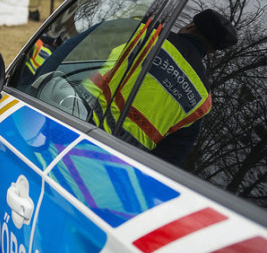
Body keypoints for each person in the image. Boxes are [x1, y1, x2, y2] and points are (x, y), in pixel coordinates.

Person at [81, 10, 237, 166]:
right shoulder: (203, 100)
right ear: (212, 50)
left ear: (189, 26)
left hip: (72, 125)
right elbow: (169, 159)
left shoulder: (143, 32)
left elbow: (75, 53)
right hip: (112, 164)